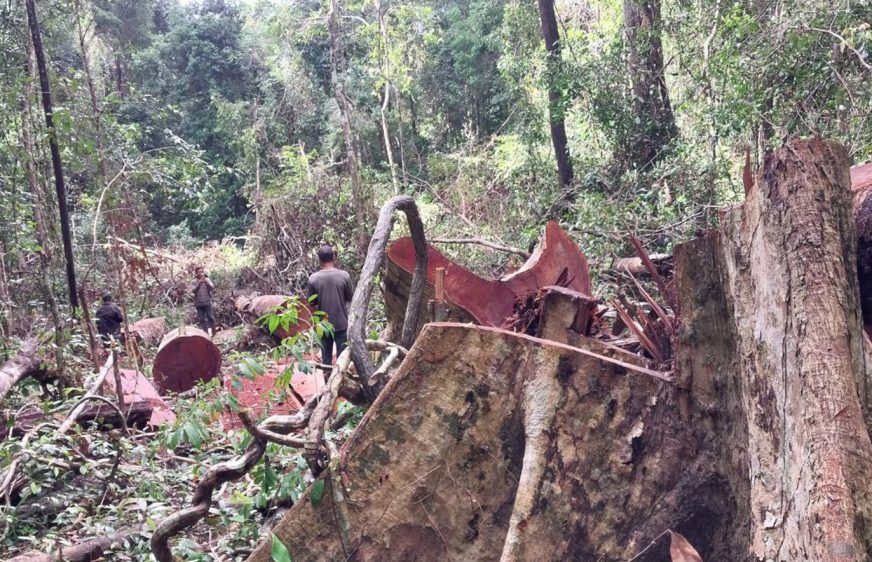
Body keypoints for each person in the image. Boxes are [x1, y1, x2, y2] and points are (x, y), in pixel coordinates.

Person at [307, 244, 353, 366]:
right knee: (342, 359)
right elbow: (350, 297)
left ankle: (327, 383)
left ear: (320, 259)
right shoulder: (344, 276)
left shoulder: (313, 279)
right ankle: (341, 384)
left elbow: (311, 302)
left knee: (326, 359)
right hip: (342, 323)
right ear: (334, 257)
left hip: (324, 325)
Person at [191, 267, 215, 333]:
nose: (201, 273)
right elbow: (193, 291)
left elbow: (212, 287)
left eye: (202, 271)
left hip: (207, 302)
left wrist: (206, 282)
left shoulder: (207, 279)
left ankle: (214, 333)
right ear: (196, 273)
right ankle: (206, 333)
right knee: (202, 319)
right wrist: (199, 284)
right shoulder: (193, 281)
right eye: (199, 272)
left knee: (210, 317)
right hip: (198, 303)